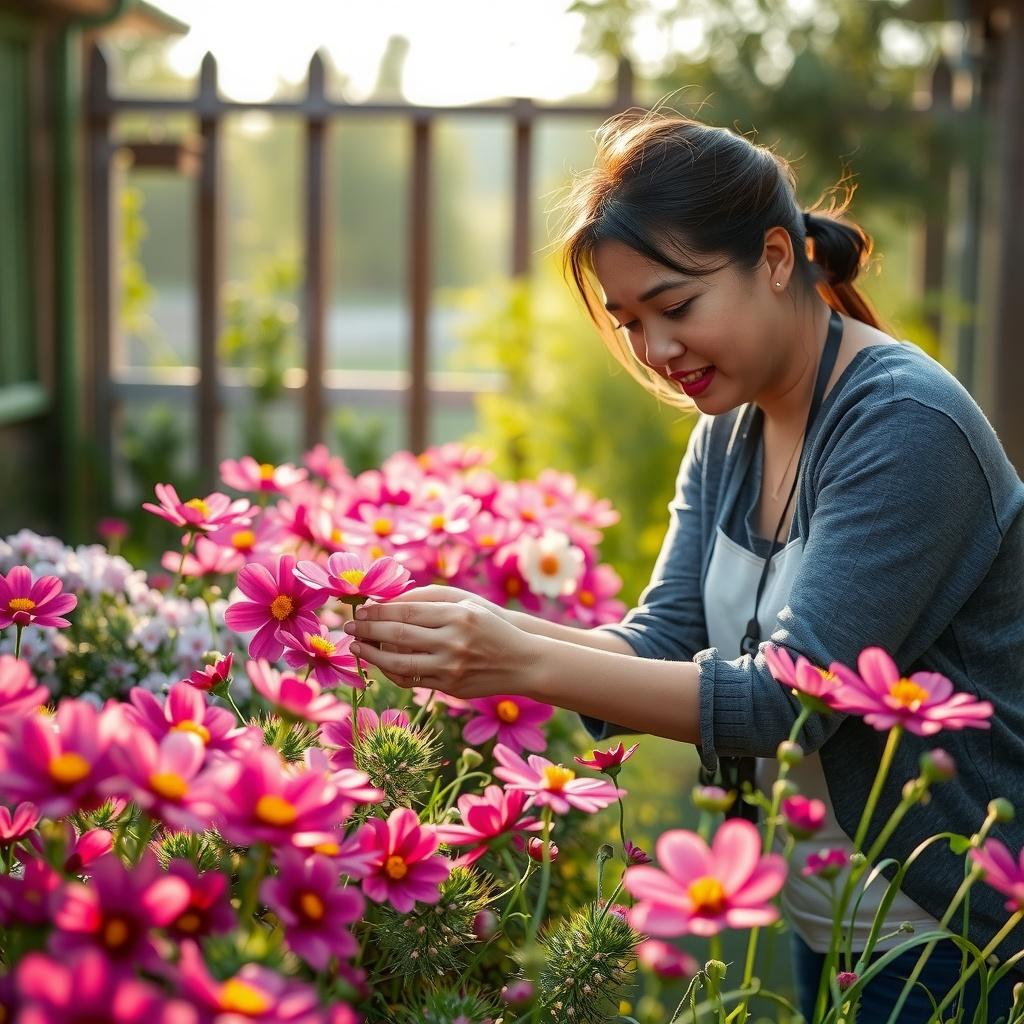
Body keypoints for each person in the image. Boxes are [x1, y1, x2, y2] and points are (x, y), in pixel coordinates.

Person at [342, 109, 1024, 1021]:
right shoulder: (731, 428)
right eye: (629, 322)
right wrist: (483, 629)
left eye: (676, 306)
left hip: (955, 931)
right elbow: (666, 639)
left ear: (776, 258)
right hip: (829, 916)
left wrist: (517, 662)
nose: (657, 353)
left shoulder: (902, 425)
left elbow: (791, 701)